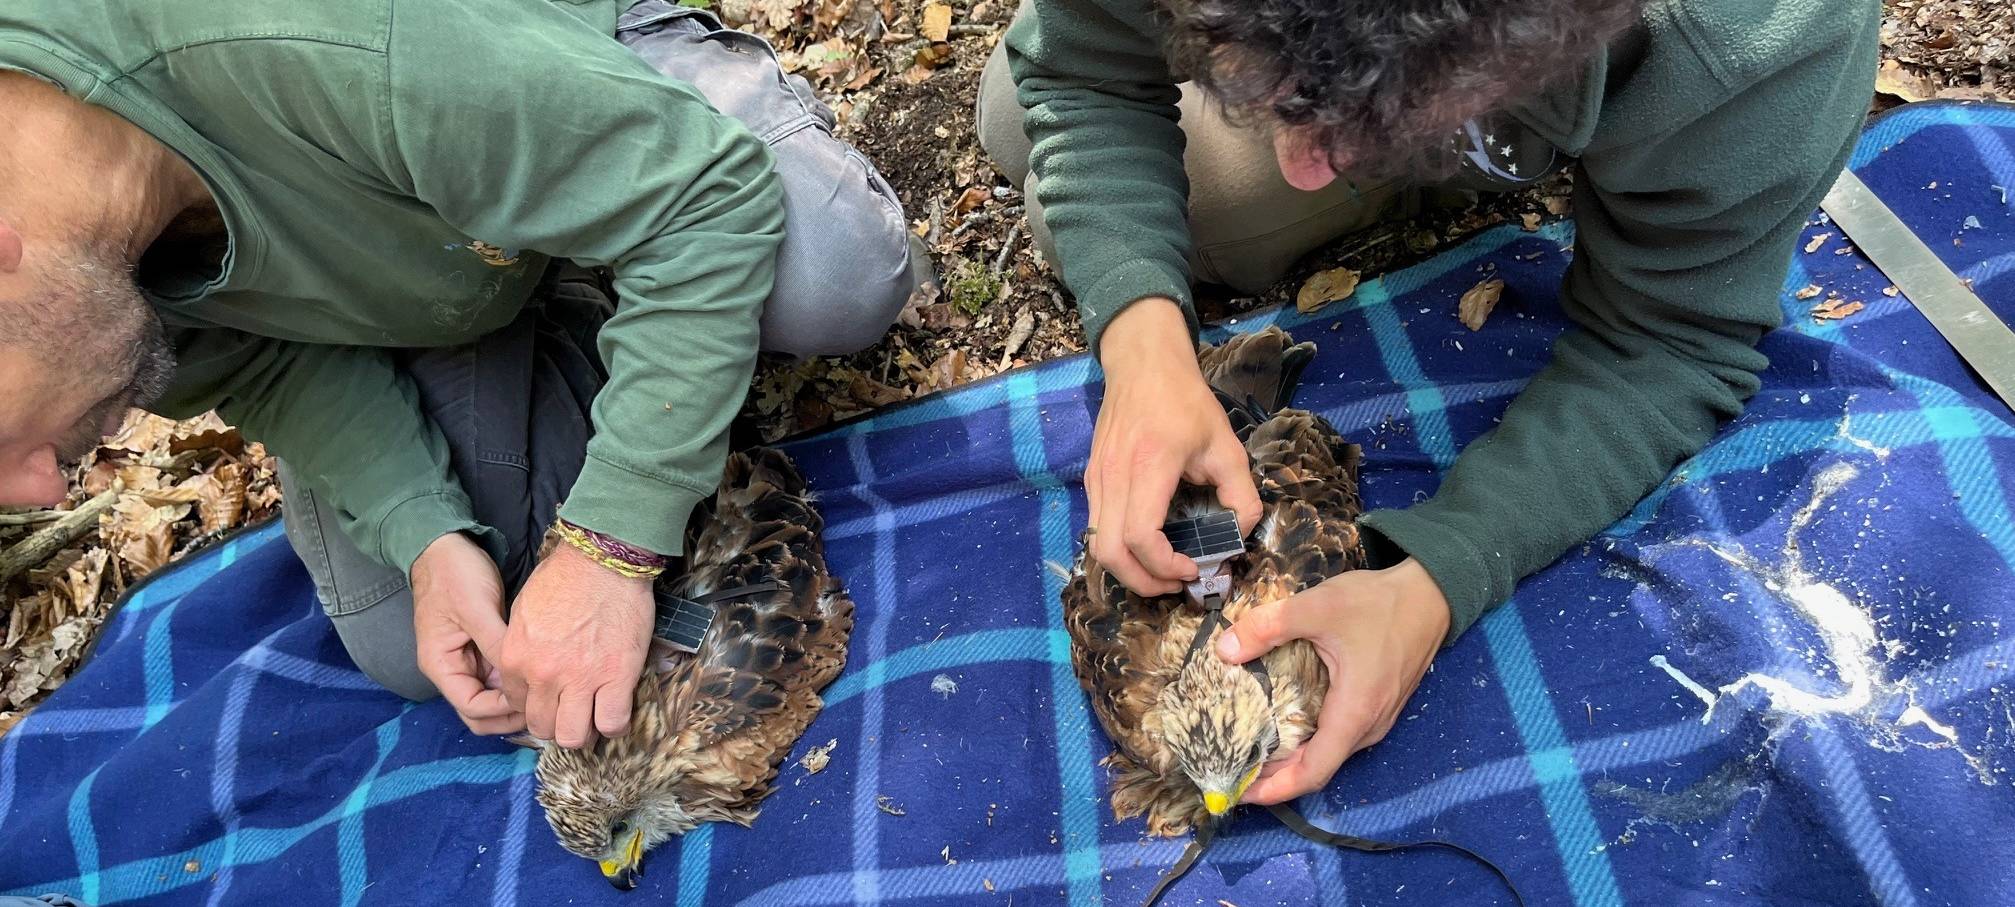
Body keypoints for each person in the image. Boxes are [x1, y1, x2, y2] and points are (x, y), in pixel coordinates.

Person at [981, 0, 1879, 803]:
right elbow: (1076, 68)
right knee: (1018, 124)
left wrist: (1435, 579)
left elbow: (1668, 343)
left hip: (1612, 86)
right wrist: (1142, 346)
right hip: (1493, 79)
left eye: (1338, 113)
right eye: (1272, 91)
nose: (1303, 165)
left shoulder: (1767, 35)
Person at [0, 0, 922, 750]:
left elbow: (707, 199)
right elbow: (270, 367)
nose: (45, 484)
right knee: (421, 639)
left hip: (547, 81)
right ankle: (601, 310)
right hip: (419, 269)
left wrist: (612, 543)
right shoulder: (78, 284)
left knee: (831, 277)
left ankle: (638, 240)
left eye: (7, 448)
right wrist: (425, 532)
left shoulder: (315, 41)